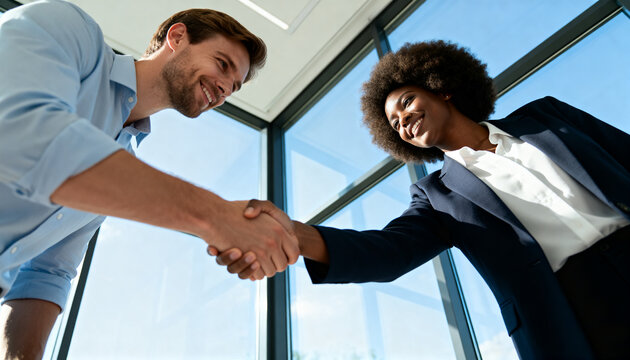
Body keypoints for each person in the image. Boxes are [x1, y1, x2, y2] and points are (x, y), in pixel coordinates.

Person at [213, 41, 630, 359]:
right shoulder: (437, 196)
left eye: (407, 103)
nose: (404, 121)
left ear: (442, 89)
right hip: (577, 304)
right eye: (395, 124)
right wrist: (296, 234)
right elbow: (388, 251)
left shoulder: (545, 117)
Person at [0, 0, 299, 357]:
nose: (223, 91)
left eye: (233, 88)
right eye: (222, 65)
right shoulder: (69, 29)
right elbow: (21, 135)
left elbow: (48, 273)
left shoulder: (121, 162)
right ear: (177, 36)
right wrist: (217, 217)